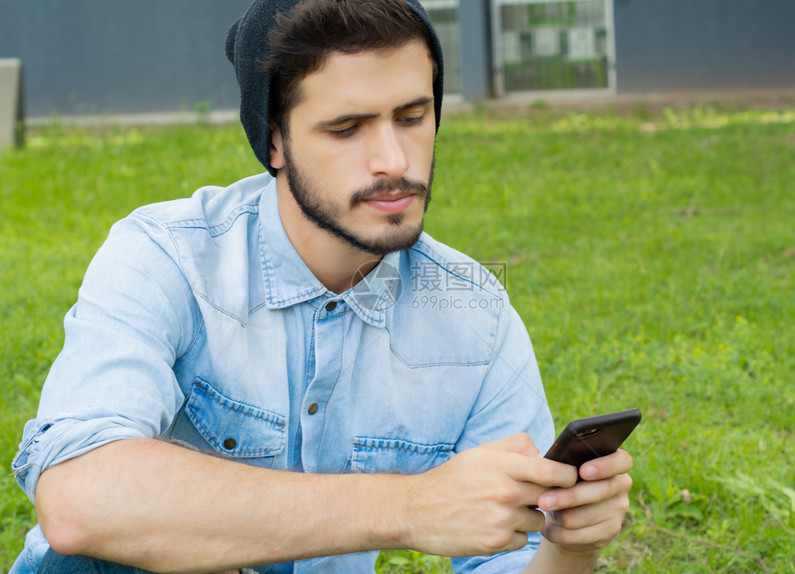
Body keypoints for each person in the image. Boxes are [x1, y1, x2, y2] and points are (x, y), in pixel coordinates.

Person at [10, 1, 633, 573]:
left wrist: (570, 545)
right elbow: (78, 498)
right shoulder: (168, 256)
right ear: (274, 141)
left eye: (412, 117)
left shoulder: (474, 312)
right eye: (346, 129)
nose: (393, 159)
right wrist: (411, 507)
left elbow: (513, 560)